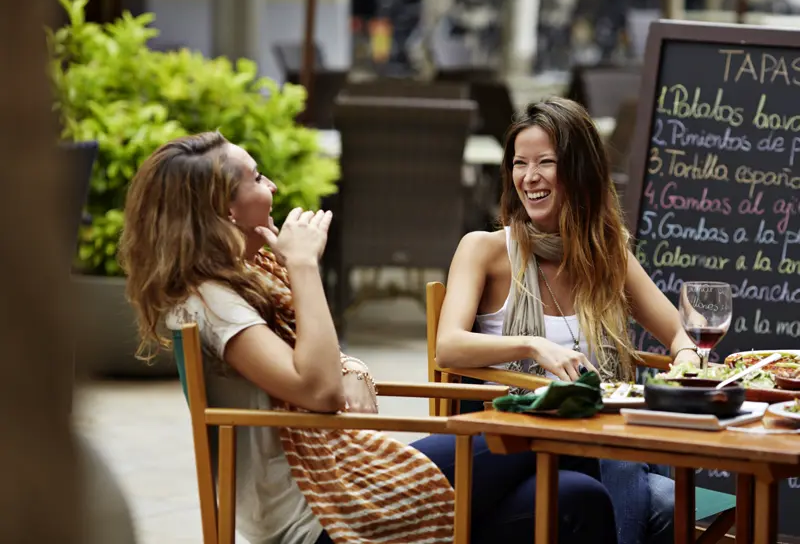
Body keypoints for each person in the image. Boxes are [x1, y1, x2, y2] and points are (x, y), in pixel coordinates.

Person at [118, 131, 619, 544]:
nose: (271, 186)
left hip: (346, 480)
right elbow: (317, 388)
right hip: (317, 519)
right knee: (550, 425)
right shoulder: (209, 300)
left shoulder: (244, 279)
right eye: (256, 178)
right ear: (224, 210)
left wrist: (352, 367)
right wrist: (302, 266)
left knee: (575, 498)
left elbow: (323, 366)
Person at [435, 98, 703, 544]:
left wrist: (689, 356)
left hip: (601, 447)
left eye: (545, 163)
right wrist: (531, 346)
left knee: (670, 500)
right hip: (520, 450)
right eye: (520, 163)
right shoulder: (484, 249)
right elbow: (449, 347)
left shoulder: (608, 255)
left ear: (579, 171)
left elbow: (678, 331)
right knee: (656, 495)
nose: (529, 177)